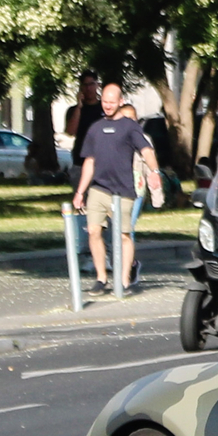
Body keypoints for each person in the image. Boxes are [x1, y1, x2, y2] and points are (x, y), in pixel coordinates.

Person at [69, 81, 153, 295]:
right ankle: (101, 278)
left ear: (120, 101)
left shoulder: (129, 126)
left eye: (112, 102)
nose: (107, 105)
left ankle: (124, 279)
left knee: (124, 235)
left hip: (123, 190)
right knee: (94, 231)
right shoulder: (95, 129)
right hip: (98, 188)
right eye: (104, 102)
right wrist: (80, 192)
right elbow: (89, 161)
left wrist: (155, 172)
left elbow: (146, 150)